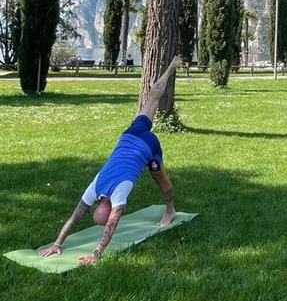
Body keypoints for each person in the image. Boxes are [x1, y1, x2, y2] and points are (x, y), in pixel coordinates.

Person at [39, 56, 182, 265]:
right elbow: (76, 216)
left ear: (102, 207)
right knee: (151, 99)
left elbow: (110, 223)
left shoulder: (115, 192)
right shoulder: (96, 187)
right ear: (98, 204)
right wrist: (57, 242)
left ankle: (170, 210)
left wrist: (95, 254)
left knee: (160, 178)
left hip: (148, 144)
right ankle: (170, 67)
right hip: (129, 136)